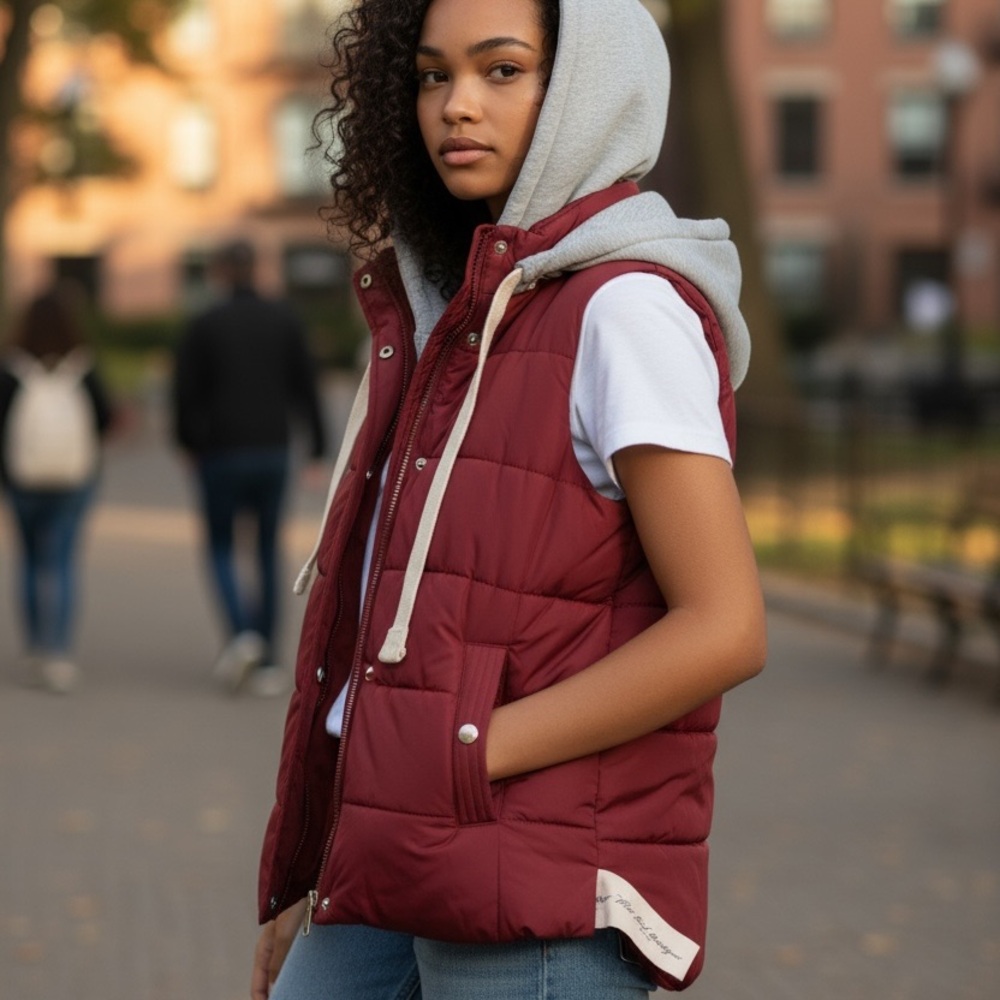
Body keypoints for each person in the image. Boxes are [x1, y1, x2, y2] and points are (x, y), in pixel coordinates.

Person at [253, 0, 767, 996]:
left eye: (500, 71)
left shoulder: (622, 307)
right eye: (433, 75)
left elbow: (725, 625)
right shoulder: (461, 315)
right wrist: (310, 867)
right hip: (398, 859)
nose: (455, 106)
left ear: (584, 87)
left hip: (536, 888)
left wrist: (470, 754)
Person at [172, 240, 327, 697]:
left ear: (220, 271)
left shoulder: (203, 323)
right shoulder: (284, 319)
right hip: (272, 451)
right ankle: (268, 660)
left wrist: (188, 442)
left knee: (221, 545)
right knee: (265, 549)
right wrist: (316, 449)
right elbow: (306, 387)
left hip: (219, 452)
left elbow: (184, 391)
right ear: (257, 268)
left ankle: (241, 636)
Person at [0, 285, 113, 693]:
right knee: (63, 563)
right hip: (73, 479)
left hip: (23, 480)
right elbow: (104, 419)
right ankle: (59, 653)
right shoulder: (83, 368)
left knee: (29, 561)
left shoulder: (11, 369)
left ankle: (34, 647)